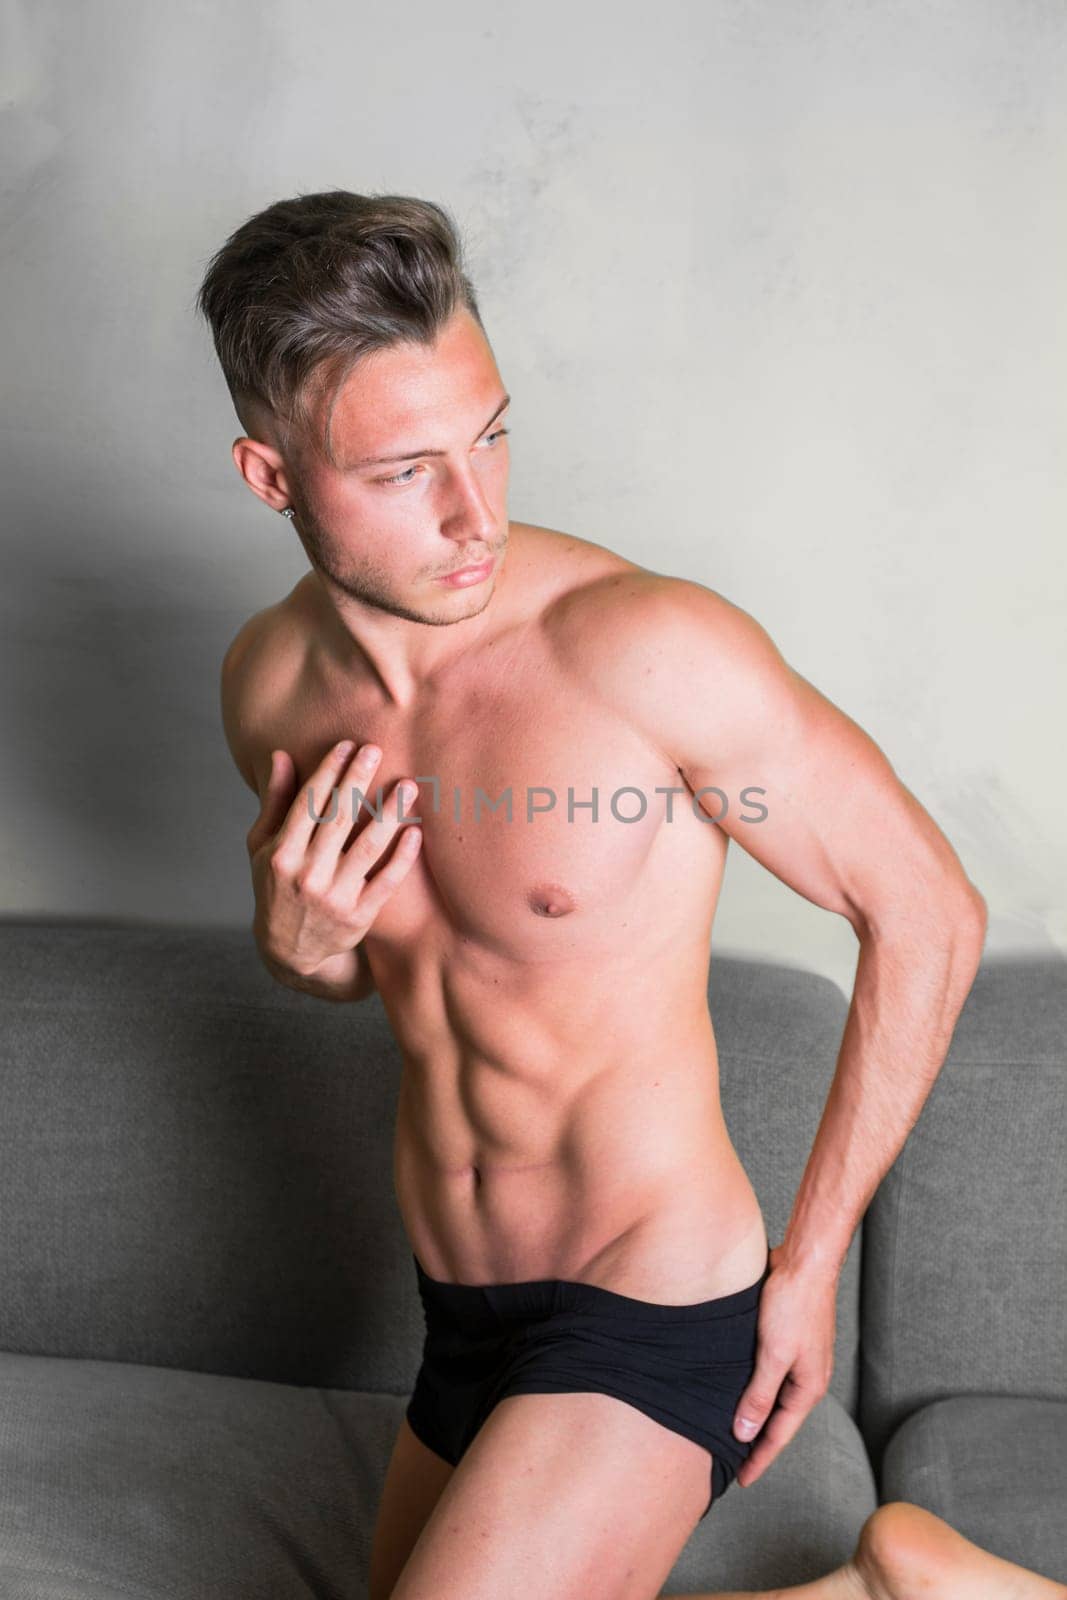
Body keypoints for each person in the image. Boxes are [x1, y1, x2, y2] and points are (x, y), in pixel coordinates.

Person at [197, 192, 1061, 1600]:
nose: (478, 509)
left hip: (654, 1296)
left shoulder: (645, 653)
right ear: (272, 475)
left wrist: (812, 1261)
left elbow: (928, 910)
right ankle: (889, 1592)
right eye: (408, 468)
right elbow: (389, 968)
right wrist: (299, 951)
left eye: (489, 433)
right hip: (461, 1320)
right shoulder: (269, 689)